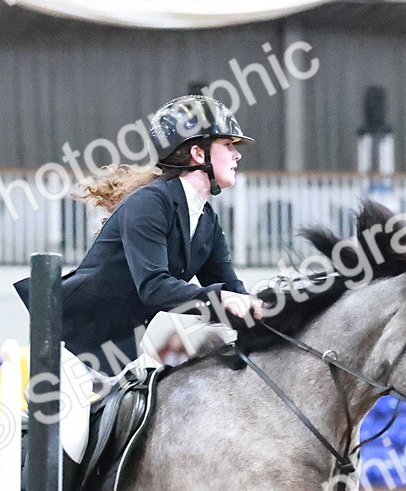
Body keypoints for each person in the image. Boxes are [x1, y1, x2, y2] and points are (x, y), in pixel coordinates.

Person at [14, 95, 263, 465]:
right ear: (198, 155)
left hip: (121, 357)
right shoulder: (151, 203)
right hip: (71, 351)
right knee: (75, 445)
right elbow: (155, 286)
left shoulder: (206, 221)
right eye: (228, 145)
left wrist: (270, 309)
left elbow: (232, 291)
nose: (237, 154)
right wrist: (220, 300)